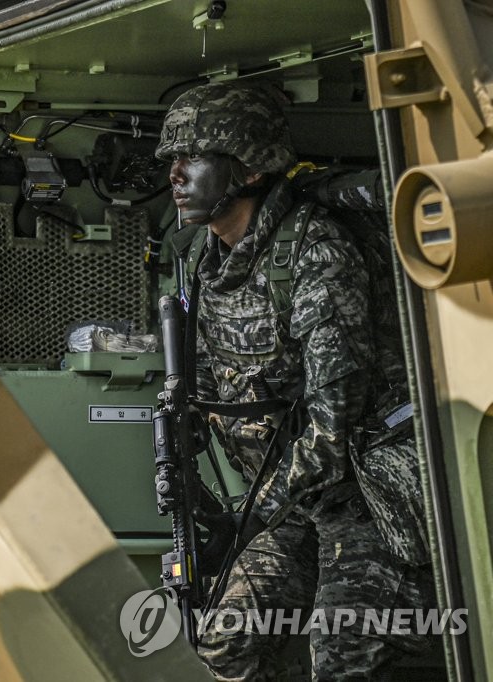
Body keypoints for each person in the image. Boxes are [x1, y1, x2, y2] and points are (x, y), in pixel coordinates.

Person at [155, 81, 436, 679]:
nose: (176, 174)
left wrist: (253, 515)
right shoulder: (206, 262)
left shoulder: (315, 251)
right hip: (296, 504)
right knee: (226, 648)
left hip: (369, 498)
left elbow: (333, 432)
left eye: (194, 157)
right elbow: (210, 392)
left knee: (345, 658)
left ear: (249, 168)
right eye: (172, 160)